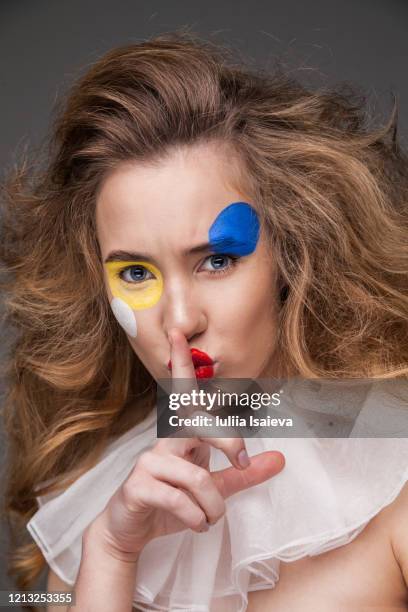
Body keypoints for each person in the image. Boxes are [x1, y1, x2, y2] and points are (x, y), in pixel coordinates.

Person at [0, 29, 407, 612]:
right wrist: (113, 554)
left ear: (293, 256)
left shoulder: (396, 476)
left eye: (217, 260)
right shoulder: (98, 510)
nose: (181, 319)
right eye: (137, 274)